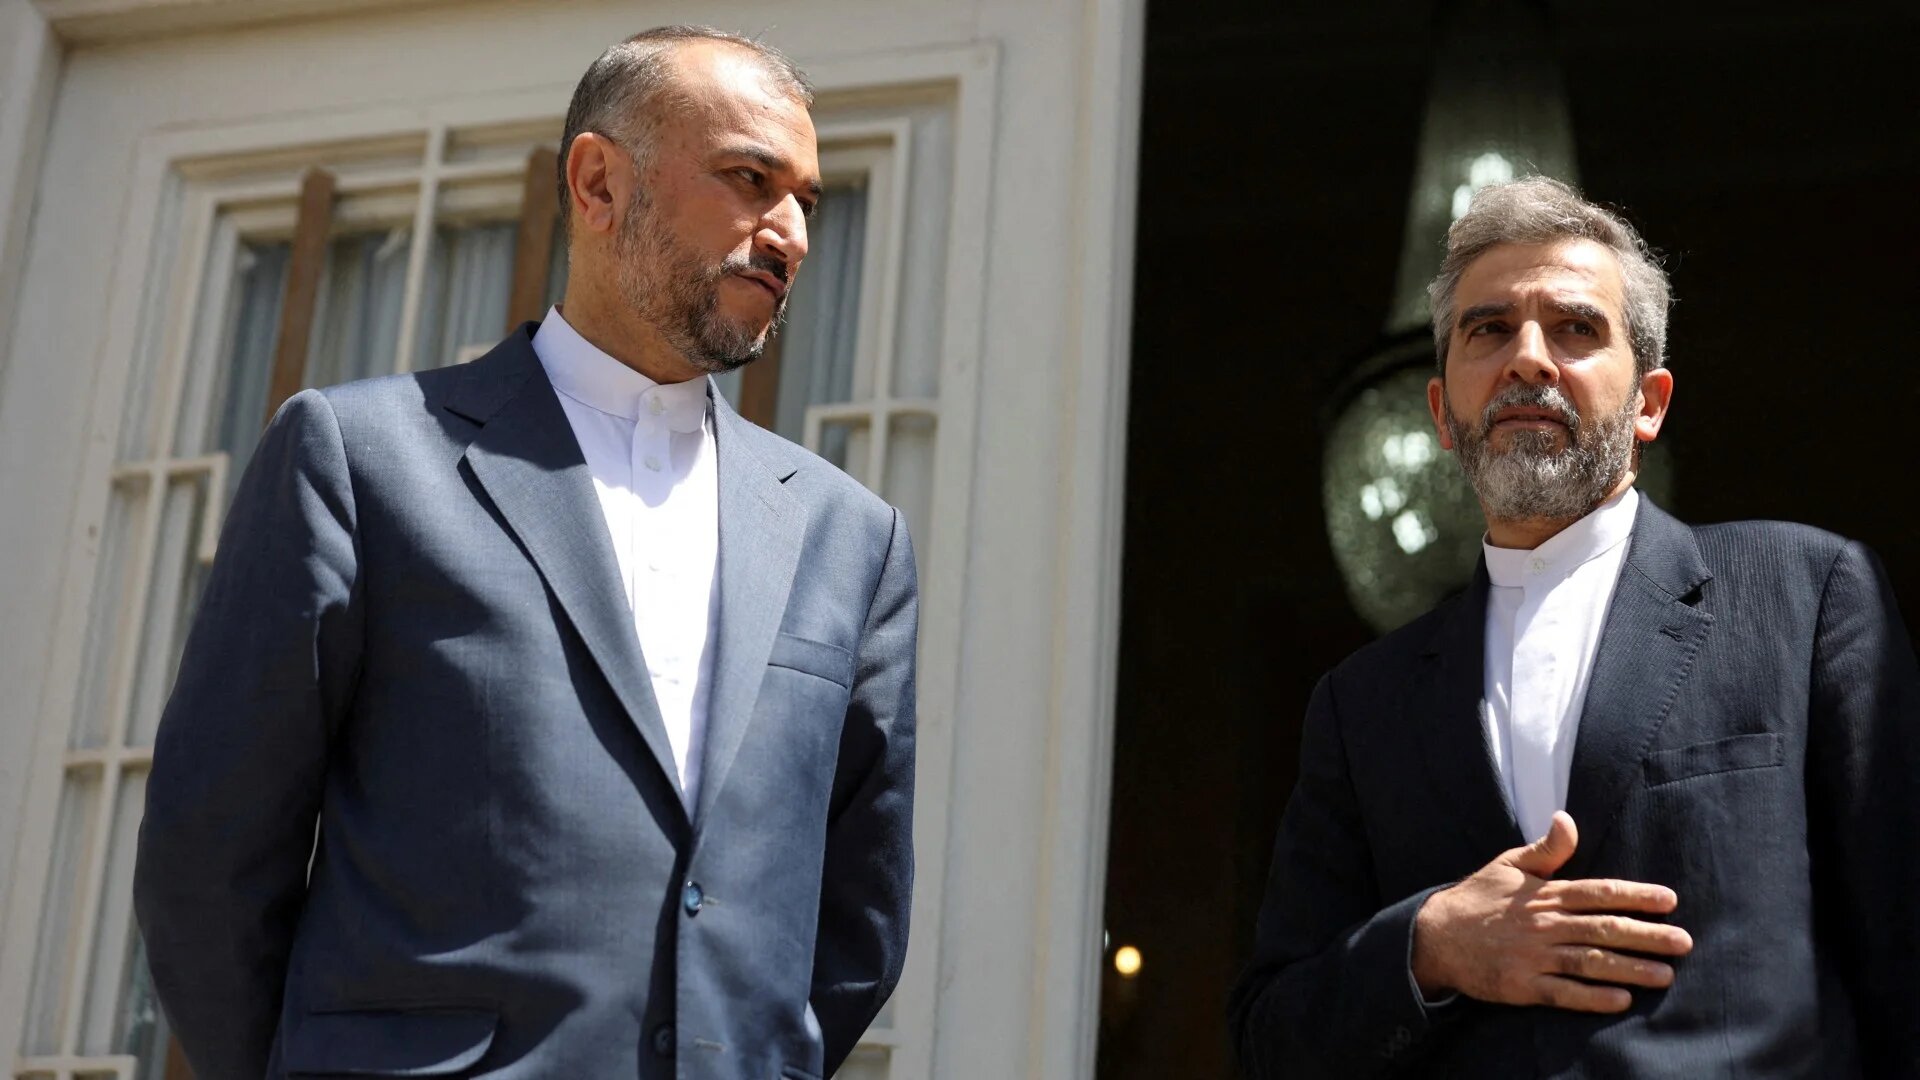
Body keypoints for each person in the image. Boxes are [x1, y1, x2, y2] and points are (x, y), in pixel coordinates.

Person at [134, 26, 917, 1080]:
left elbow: (856, 923)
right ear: (597, 184)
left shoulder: (849, 538)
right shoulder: (364, 461)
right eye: (749, 179)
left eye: (806, 202)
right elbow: (209, 854)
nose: (789, 234)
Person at [1229, 176, 1920, 1077]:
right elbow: (1270, 1035)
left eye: (1576, 328)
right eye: (1488, 329)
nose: (1528, 359)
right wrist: (1428, 947)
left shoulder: (1807, 593)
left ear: (1650, 403)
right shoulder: (1361, 705)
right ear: (1443, 412)